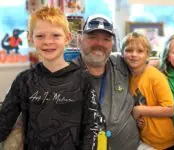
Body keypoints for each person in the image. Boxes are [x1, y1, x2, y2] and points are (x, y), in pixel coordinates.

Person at [0, 6, 102, 150]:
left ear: (67, 38)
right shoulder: (24, 80)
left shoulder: (83, 80)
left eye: (55, 35)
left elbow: (91, 127)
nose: (48, 42)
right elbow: (4, 122)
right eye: (40, 36)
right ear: (30, 38)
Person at [75, 14, 140, 150]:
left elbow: (150, 61)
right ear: (80, 40)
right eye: (92, 37)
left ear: (112, 44)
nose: (99, 44)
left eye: (106, 39)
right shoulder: (66, 74)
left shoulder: (121, 63)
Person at [121, 31, 174, 150]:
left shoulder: (155, 76)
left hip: (167, 142)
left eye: (140, 51)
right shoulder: (128, 77)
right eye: (129, 50)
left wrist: (138, 110)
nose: (134, 54)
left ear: (147, 54)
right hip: (147, 140)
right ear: (122, 53)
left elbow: (170, 109)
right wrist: (137, 120)